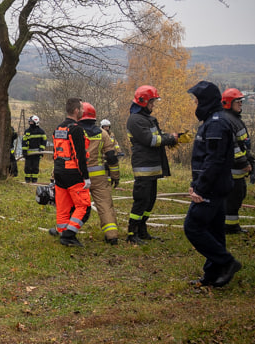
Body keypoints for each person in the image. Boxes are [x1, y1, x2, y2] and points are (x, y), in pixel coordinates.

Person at [184, 81, 241, 287]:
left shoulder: (216, 123)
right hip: (213, 186)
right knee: (215, 231)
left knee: (193, 227)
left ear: (206, 101)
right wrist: (194, 183)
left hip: (212, 188)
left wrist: (200, 188)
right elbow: (203, 159)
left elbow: (214, 160)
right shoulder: (212, 121)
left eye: (197, 100)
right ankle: (212, 275)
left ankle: (227, 263)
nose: (195, 105)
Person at [125, 85, 188, 244]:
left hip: (153, 166)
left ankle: (142, 229)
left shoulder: (148, 119)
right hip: (144, 166)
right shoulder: (135, 120)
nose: (153, 105)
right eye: (151, 102)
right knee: (141, 200)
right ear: (142, 101)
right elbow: (151, 140)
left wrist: (175, 137)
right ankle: (132, 233)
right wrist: (170, 139)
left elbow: (158, 136)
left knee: (150, 200)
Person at [50, 97, 91, 247]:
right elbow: (80, 155)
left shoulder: (58, 128)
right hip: (73, 173)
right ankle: (68, 235)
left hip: (59, 172)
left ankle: (62, 230)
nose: (82, 111)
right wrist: (86, 177)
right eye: (81, 108)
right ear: (75, 111)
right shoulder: (76, 129)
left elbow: (56, 152)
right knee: (84, 207)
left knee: (63, 206)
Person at [79, 102, 121, 244]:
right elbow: (111, 156)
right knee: (105, 205)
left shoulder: (74, 131)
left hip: (78, 177)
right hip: (99, 177)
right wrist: (115, 176)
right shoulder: (103, 134)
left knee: (74, 205)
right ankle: (112, 235)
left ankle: (67, 231)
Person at [221, 88, 253, 234]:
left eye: (241, 101)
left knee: (238, 197)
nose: (241, 104)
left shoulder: (234, 119)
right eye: (237, 101)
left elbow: (243, 144)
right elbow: (233, 147)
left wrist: (250, 158)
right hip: (233, 170)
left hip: (237, 170)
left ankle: (232, 226)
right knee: (232, 199)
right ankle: (230, 227)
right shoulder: (228, 120)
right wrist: (244, 163)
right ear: (228, 103)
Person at [21, 115, 46, 183]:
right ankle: (27, 179)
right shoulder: (27, 131)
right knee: (27, 167)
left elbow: (44, 141)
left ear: (36, 122)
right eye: (30, 122)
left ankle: (34, 179)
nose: (30, 123)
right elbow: (24, 141)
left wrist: (41, 149)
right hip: (28, 153)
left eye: (32, 122)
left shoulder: (41, 132)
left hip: (37, 153)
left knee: (35, 167)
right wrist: (24, 150)